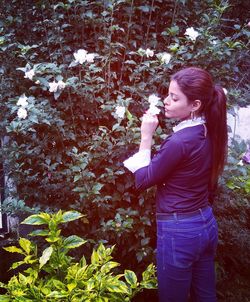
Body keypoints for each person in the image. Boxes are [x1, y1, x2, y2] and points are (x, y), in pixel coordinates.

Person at [123, 67, 228, 302]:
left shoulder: (180, 141)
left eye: (174, 97)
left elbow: (143, 179)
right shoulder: (210, 130)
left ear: (195, 105)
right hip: (205, 224)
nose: (166, 102)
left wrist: (146, 136)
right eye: (168, 95)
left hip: (180, 232)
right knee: (206, 296)